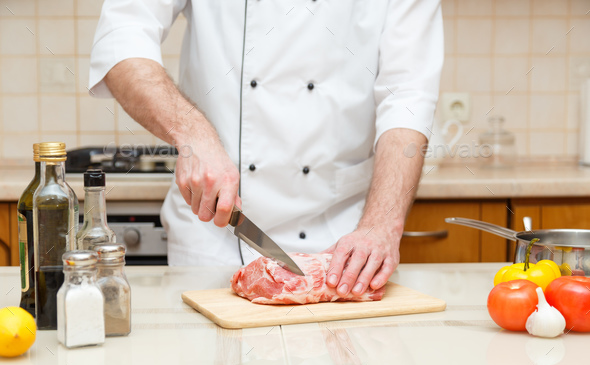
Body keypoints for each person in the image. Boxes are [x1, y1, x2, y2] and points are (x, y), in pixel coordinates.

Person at [88, 0, 443, 297]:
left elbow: (408, 95)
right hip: (216, 235)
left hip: (343, 247)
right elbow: (122, 36)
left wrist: (381, 225)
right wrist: (193, 134)